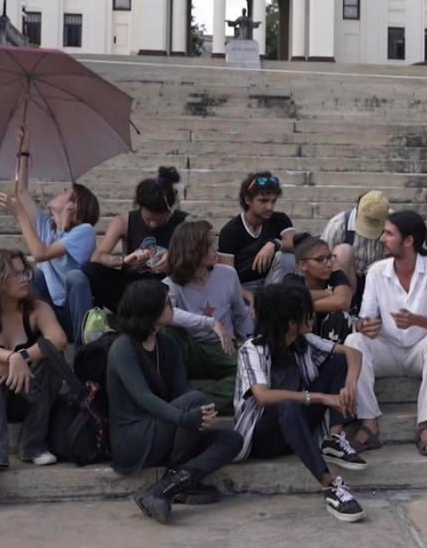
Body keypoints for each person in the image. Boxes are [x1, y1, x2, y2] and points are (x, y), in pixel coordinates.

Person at [108, 280, 245, 524]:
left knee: (232, 439)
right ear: (149, 310)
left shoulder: (168, 344)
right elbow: (143, 397)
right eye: (166, 304)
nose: (172, 307)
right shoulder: (123, 348)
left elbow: (182, 391)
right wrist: (186, 418)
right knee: (197, 400)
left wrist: (201, 416)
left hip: (168, 429)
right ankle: (177, 482)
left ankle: (166, 488)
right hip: (135, 436)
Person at [231, 283, 368, 522]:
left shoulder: (304, 341)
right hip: (263, 437)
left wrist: (350, 386)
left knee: (338, 363)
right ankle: (330, 486)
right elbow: (263, 397)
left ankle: (334, 439)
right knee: (286, 403)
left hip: (297, 426)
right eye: (306, 313)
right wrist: (322, 397)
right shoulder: (252, 350)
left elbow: (353, 354)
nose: (312, 317)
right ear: (291, 323)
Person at [0, 249, 67, 500]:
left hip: (23, 394)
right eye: (16, 275)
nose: (25, 279)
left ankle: (32, 445)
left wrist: (23, 357)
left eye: (25, 272)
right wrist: (9, 358)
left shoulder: (37, 308)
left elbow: (58, 339)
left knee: (52, 359)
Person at [344, 211, 427, 456]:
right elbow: (365, 317)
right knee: (354, 341)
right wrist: (364, 326)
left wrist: (416, 320)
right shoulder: (376, 271)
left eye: (389, 233)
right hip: (389, 351)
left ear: (408, 240)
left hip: (422, 352)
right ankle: (369, 424)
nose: (382, 238)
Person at [0, 126, 99, 344]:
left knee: (76, 277)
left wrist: (21, 216)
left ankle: (84, 353)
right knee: (36, 275)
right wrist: (24, 151)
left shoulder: (84, 232)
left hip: (73, 314)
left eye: (65, 192)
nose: (58, 191)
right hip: (50, 313)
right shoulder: (48, 226)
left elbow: (40, 253)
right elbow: (21, 191)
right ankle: (35, 343)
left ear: (74, 205)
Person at [161, 220, 251, 412]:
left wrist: (247, 342)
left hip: (223, 347)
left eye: (214, 242)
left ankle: (197, 403)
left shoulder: (228, 274)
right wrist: (210, 323)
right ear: (192, 249)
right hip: (189, 347)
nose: (215, 249)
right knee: (167, 334)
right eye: (209, 245)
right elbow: (167, 315)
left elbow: (241, 314)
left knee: (249, 374)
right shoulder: (171, 283)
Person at [85, 167, 189, 313]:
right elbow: (97, 257)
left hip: (166, 286)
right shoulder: (124, 221)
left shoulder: (184, 223)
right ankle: (126, 314)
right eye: (148, 219)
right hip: (131, 287)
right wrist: (124, 260)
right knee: (90, 271)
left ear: (170, 210)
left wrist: (175, 260)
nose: (153, 224)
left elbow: (202, 260)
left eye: (159, 220)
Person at [217, 171, 298, 301]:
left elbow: (296, 244)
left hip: (272, 281)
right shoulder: (230, 231)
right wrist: (251, 298)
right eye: (263, 201)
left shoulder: (279, 220)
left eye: (273, 201)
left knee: (286, 257)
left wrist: (274, 244)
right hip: (243, 288)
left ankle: (275, 302)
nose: (270, 207)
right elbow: (226, 276)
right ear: (248, 200)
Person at [286, 237, 355, 345]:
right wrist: (326, 293)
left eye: (329, 257)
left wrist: (302, 305)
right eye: (320, 259)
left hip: (330, 339)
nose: (328, 264)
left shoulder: (337, 276)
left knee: (339, 317)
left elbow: (342, 302)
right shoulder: (292, 280)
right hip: (300, 343)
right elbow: (285, 302)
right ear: (303, 265)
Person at [320, 190, 389, 292]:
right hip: (349, 278)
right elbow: (323, 259)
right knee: (343, 252)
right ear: (357, 208)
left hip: (379, 278)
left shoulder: (394, 223)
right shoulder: (338, 225)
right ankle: (347, 302)